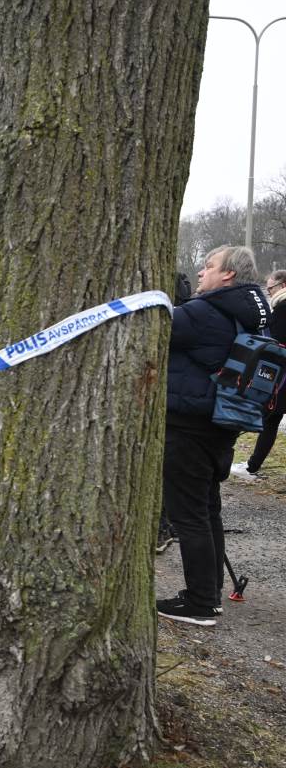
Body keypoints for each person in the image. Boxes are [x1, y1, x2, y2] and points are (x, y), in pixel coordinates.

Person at [159, 246, 269, 627]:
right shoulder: (251, 314)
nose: (201, 273)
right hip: (221, 425)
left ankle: (201, 601)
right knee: (207, 511)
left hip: (188, 425)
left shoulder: (205, 312)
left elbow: (154, 327)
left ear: (228, 275)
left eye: (209, 266)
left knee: (188, 516)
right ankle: (209, 594)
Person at [231, 268, 286, 480]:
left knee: (265, 416)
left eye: (270, 288)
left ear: (282, 286)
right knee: (271, 419)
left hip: (279, 376)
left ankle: (249, 466)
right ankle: (252, 466)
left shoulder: (282, 309)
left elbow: (276, 344)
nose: (269, 292)